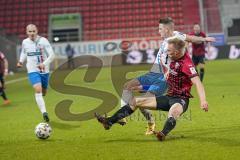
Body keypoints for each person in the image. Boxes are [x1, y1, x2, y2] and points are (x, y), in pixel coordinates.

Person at [95, 37, 209, 141]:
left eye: (169, 51)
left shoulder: (187, 65)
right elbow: (162, 82)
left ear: (176, 52)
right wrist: (141, 87)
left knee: (173, 113)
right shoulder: (173, 61)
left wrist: (203, 101)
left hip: (181, 100)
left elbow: (198, 83)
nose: (166, 52)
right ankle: (109, 122)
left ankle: (162, 134)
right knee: (135, 101)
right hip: (168, 97)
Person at [118, 17, 214, 135]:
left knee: (144, 99)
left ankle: (150, 123)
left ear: (167, 29)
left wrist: (203, 39)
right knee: (128, 86)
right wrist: (203, 38)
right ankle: (122, 117)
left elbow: (190, 40)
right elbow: (190, 37)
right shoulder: (173, 35)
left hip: (163, 75)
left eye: (160, 29)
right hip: (153, 72)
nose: (158, 31)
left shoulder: (175, 40)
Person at [17, 24, 55, 122]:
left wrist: (44, 63)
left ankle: (40, 98)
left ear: (37, 31)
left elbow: (52, 55)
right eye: (30, 31)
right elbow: (24, 52)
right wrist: (21, 61)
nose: (32, 33)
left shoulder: (43, 41)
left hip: (44, 71)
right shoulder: (25, 42)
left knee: (44, 92)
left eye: (34, 31)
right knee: (38, 89)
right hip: (32, 69)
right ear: (27, 32)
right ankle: (44, 113)